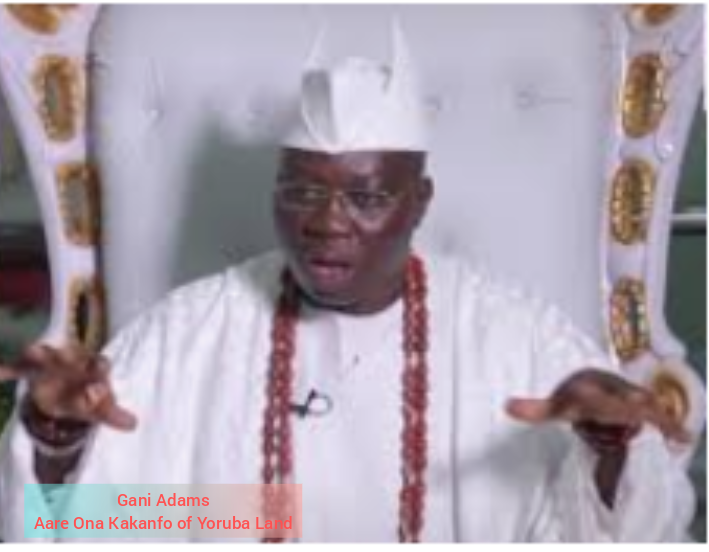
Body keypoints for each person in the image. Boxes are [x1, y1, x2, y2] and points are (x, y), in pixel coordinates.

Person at [0, 30, 696, 542]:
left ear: (419, 202)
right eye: (301, 192)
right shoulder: (185, 335)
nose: (327, 223)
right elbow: (78, 524)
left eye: (365, 198)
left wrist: (611, 456)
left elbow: (644, 532)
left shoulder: (519, 340)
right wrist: (57, 447)